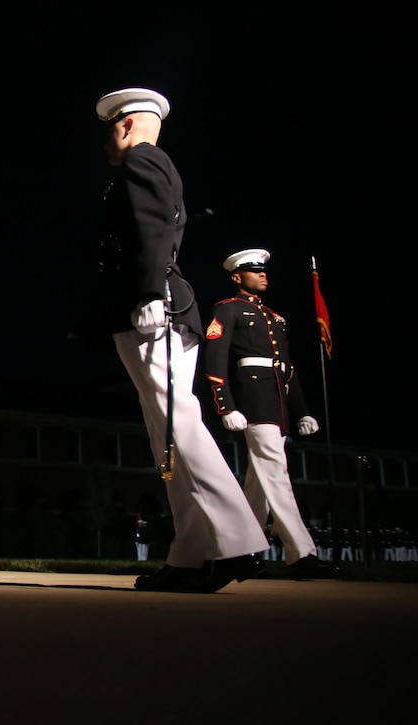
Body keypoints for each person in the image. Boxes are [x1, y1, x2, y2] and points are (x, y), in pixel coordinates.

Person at [81, 88, 269, 592]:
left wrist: (146, 290)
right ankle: (191, 552)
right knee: (166, 431)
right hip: (157, 304)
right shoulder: (152, 163)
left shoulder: (140, 161)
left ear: (122, 127)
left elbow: (152, 228)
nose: (106, 147)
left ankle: (238, 539)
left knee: (176, 423)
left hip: (152, 305)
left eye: (107, 135)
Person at [203, 248, 340, 579]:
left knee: (258, 482)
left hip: (276, 402)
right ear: (238, 277)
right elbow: (215, 359)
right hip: (253, 401)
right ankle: (301, 553)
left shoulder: (275, 318)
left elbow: (286, 369)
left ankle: (237, 551)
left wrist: (302, 411)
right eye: (254, 270)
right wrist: (226, 405)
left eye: (264, 270)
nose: (263, 274)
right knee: (276, 473)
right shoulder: (228, 309)